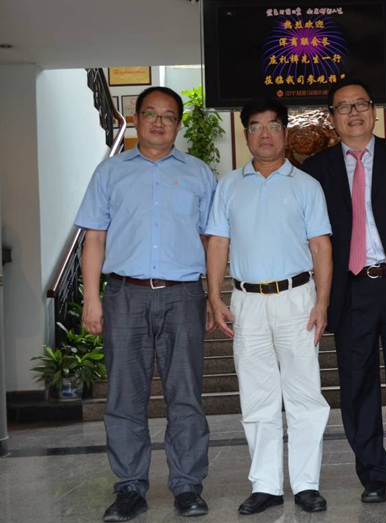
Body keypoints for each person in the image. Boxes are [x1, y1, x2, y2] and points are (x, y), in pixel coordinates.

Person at [75, 86, 216, 521]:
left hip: (183, 295)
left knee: (185, 396)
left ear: (178, 124)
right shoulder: (110, 172)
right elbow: (94, 238)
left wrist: (213, 295)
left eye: (168, 116)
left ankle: (187, 486)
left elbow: (213, 240)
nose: (159, 122)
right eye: (151, 113)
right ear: (135, 118)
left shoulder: (199, 174)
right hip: (125, 295)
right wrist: (92, 299)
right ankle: (130, 488)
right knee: (123, 397)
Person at [302, 80, 386, 503]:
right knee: (357, 384)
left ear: (374, 111)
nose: (353, 113)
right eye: (343, 107)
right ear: (332, 117)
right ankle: (374, 476)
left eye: (360, 104)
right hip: (350, 290)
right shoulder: (317, 169)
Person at [205, 98, 332, 515]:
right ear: (245, 135)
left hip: (297, 299)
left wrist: (322, 303)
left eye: (273, 125)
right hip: (247, 302)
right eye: (256, 126)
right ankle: (266, 485)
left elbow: (321, 247)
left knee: (304, 395)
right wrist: (214, 296)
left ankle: (307, 484)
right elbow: (218, 243)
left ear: (284, 132)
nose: (264, 134)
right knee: (257, 396)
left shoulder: (306, 185)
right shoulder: (229, 185)